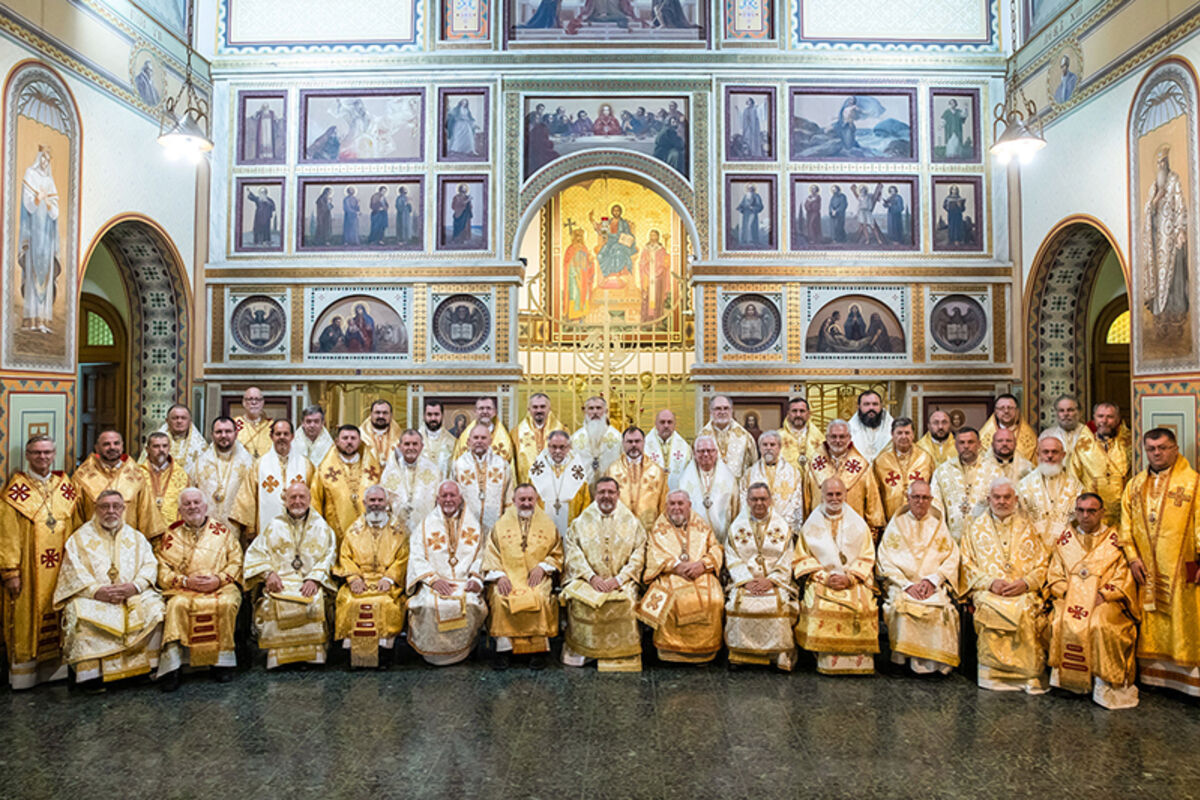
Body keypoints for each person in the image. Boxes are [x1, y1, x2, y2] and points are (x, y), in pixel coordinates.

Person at [53, 491, 165, 688]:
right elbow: (73, 571)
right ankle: (91, 676)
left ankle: (144, 670)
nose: (111, 511)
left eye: (116, 506)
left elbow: (150, 565)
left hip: (132, 596)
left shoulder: (136, 537)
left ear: (123, 509)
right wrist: (96, 591)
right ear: (96, 509)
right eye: (105, 506)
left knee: (156, 609)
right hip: (95, 597)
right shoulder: (79, 538)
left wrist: (135, 586)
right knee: (79, 614)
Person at [1119, 427, 1200, 696]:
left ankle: (1188, 684)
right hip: (1146, 568)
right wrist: (1132, 559)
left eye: (1163, 448)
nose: (1157, 453)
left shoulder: (1193, 483)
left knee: (1183, 619)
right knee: (1150, 620)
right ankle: (1154, 679)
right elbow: (1125, 527)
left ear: (1175, 449)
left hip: (1182, 566)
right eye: (1151, 449)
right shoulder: (1134, 485)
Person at [1046, 493, 1139, 709]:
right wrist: (1070, 594)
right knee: (1060, 620)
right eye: (1080, 510)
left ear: (1102, 512)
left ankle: (1104, 682)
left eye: (1091, 511)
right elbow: (1054, 577)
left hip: (1104, 601)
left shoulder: (1115, 541)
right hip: (1069, 598)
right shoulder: (1064, 541)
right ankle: (1067, 682)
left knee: (1100, 623)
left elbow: (1122, 578)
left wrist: (1104, 595)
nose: (1085, 516)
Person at [0, 435, 79, 688]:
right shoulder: (15, 490)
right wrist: (10, 571)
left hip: (62, 568)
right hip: (28, 570)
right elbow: (7, 534)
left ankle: (56, 670)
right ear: (27, 456)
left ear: (54, 455)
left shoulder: (64, 485)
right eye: (36, 453)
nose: (42, 457)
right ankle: (25, 677)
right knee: (25, 617)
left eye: (47, 452)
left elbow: (76, 527)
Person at [961, 478, 1049, 694]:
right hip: (988, 590)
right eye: (997, 497)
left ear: (1015, 499)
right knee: (989, 608)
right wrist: (989, 582)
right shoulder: (974, 527)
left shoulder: (1029, 526)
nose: (1002, 501)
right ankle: (992, 676)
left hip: (1021, 591)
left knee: (1026, 609)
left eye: (1007, 497)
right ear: (989, 499)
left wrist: (1026, 583)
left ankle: (1027, 676)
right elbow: (965, 564)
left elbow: (1043, 563)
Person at [155, 489, 243, 691]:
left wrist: (219, 579)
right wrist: (185, 581)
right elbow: (162, 570)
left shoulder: (222, 532)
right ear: (179, 510)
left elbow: (236, 561)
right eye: (187, 504)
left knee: (227, 604)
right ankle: (174, 667)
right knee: (176, 606)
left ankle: (221, 663)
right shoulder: (171, 536)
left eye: (196, 503)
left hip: (220, 586)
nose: (192, 507)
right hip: (184, 588)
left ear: (205, 507)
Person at [243, 483, 337, 669]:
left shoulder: (322, 527)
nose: (297, 501)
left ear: (309, 500)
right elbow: (256, 553)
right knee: (272, 602)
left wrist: (315, 578)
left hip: (309, 581)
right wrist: (269, 574)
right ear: (285, 501)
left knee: (314, 599)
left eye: (302, 497)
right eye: (293, 497)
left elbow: (330, 555)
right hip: (281, 582)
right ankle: (278, 658)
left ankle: (313, 657)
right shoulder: (273, 526)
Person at [793, 478, 879, 675]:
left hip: (852, 580)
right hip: (822, 580)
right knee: (819, 606)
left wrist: (850, 578)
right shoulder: (811, 525)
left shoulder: (859, 524)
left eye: (838, 494)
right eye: (829, 494)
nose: (834, 498)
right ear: (822, 496)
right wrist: (824, 577)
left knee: (863, 605)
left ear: (845, 495)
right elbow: (802, 557)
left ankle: (860, 660)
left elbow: (867, 555)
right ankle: (823, 658)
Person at [561, 477, 647, 672]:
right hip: (588, 580)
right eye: (602, 492)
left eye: (610, 492)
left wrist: (619, 579)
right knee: (582, 601)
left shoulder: (632, 523)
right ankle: (585, 654)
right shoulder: (580, 522)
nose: (606, 496)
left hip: (621, 580)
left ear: (618, 495)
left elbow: (639, 555)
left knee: (626, 601)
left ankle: (622, 653)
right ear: (595, 495)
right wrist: (591, 577)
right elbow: (573, 553)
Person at [875, 480, 961, 676]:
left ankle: (934, 665)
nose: (920, 501)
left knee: (941, 611)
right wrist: (906, 584)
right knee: (902, 608)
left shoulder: (938, 525)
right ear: (908, 498)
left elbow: (951, 556)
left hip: (931, 585)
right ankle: (900, 662)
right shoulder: (897, 524)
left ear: (931, 499)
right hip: (902, 584)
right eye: (916, 497)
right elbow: (885, 559)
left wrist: (933, 580)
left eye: (925, 498)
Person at [406, 481, 487, 665]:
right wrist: (433, 580)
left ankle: (463, 650)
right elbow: (416, 556)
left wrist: (476, 578)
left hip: (464, 581)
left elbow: (481, 555)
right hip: (434, 582)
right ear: (437, 499)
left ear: (460, 498)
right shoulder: (425, 526)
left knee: (470, 602)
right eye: (444, 496)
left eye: (452, 495)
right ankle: (433, 653)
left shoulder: (474, 525)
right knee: (428, 604)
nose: (448, 499)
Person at [483, 484, 563, 670]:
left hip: (536, 578)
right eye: (522, 499)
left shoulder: (547, 524)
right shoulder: (501, 525)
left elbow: (557, 552)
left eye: (530, 499)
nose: (526, 503)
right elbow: (491, 554)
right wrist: (500, 576)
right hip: (508, 577)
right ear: (514, 501)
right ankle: (504, 650)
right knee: (500, 597)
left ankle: (538, 651)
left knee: (540, 597)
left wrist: (543, 567)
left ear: (536, 500)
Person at [639, 492, 724, 664]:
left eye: (680, 503)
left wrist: (703, 564)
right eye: (672, 504)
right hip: (670, 574)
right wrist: (675, 566)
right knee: (670, 601)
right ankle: (669, 651)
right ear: (666, 506)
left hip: (700, 573)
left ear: (689, 505)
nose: (676, 508)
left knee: (715, 599)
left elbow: (715, 547)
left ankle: (706, 651)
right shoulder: (658, 528)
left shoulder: (700, 524)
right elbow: (653, 554)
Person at [724, 483, 798, 671]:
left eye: (763, 499)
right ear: (747, 501)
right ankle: (740, 655)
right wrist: (746, 580)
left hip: (774, 581)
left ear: (770, 500)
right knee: (739, 604)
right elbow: (731, 556)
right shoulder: (736, 527)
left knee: (778, 604)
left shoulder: (782, 527)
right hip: (745, 581)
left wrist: (771, 580)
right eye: (754, 499)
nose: (759, 503)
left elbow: (787, 557)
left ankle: (778, 655)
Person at [334, 486, 408, 669]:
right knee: (350, 602)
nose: (376, 504)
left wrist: (389, 579)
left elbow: (403, 558)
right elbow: (345, 557)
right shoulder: (354, 530)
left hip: (386, 581)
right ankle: (354, 654)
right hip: (361, 580)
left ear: (387, 503)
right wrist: (354, 578)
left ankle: (384, 653)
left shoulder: (398, 531)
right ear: (364, 503)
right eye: (372, 500)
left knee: (386, 603)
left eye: (380, 500)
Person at [230, 419, 316, 542]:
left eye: (286, 434)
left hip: (299, 528)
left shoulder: (306, 465)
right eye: (278, 434)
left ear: (292, 436)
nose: (282, 437)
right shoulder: (259, 466)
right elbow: (249, 496)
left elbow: (315, 497)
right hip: (267, 527)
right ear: (271, 436)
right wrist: (251, 528)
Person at [73, 429, 164, 539]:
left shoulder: (137, 476)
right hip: (93, 543)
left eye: (116, 443)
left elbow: (148, 518)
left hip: (128, 543)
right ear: (97, 448)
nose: (112, 447)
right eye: (106, 444)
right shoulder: (82, 477)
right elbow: (75, 519)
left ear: (122, 446)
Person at [803, 420, 884, 532]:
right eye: (833, 436)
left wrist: (873, 530)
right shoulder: (812, 466)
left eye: (842, 437)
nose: (838, 441)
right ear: (827, 438)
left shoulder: (863, 467)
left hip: (853, 532)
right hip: (819, 531)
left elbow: (873, 504)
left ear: (849, 438)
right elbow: (806, 503)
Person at [311, 425, 382, 546]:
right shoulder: (324, 470)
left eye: (353, 438)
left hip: (368, 537)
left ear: (359, 441)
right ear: (337, 441)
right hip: (335, 537)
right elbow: (315, 503)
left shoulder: (374, 470)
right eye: (345, 438)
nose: (349, 442)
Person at [1142, 144, 1188, 330]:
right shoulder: (1154, 187)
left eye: (1163, 162)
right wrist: (1155, 200)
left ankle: (1174, 312)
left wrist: (1180, 230)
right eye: (1159, 163)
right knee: (1158, 276)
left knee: (1174, 274)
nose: (1161, 166)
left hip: (1171, 238)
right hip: (1157, 239)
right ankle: (1160, 313)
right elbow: (1148, 210)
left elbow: (1181, 206)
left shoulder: (1174, 180)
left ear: (1168, 163)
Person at [1069, 401, 1132, 526]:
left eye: (1110, 417)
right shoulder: (1082, 445)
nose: (1104, 421)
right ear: (1094, 418)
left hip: (1122, 512)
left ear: (1118, 419)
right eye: (1100, 416)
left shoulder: (1129, 444)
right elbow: (1073, 478)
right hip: (1091, 512)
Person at [18, 146, 59, 333]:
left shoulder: (50, 181)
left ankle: (43, 320)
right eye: (43, 158)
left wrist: (48, 203)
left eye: (48, 159)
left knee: (46, 276)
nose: (44, 162)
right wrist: (37, 199)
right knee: (32, 273)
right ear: (38, 158)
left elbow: (55, 212)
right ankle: (31, 320)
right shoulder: (30, 174)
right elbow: (27, 204)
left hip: (47, 238)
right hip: (34, 234)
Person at [1017, 433, 1083, 546]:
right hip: (1033, 543)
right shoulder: (1024, 486)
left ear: (1063, 455)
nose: (1050, 456)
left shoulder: (1076, 486)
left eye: (1054, 452)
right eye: (1045, 452)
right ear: (1038, 454)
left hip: (1066, 545)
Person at [930, 427, 991, 542]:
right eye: (962, 443)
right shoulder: (942, 471)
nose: (966, 446)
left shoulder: (993, 470)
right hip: (951, 540)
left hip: (984, 540)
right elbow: (936, 507)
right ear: (956, 445)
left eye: (970, 442)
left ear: (979, 444)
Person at [194, 417, 254, 530]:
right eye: (219, 432)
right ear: (212, 435)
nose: (223, 435)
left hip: (236, 527)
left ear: (236, 434)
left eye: (228, 431)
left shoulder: (249, 463)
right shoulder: (199, 463)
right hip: (206, 528)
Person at [452, 425, 514, 535]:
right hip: (466, 529)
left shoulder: (502, 465)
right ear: (469, 441)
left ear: (490, 441)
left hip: (496, 527)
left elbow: (509, 498)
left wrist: (507, 525)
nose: (479, 441)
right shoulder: (458, 465)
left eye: (483, 438)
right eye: (476, 438)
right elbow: (452, 498)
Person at [527, 430, 590, 536]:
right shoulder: (537, 471)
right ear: (548, 446)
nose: (557, 451)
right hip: (542, 531)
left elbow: (585, 504)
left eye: (562, 447)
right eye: (554, 447)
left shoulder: (577, 471)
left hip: (570, 531)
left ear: (568, 448)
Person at [606, 426, 669, 532]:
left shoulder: (657, 472)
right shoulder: (612, 471)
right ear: (623, 443)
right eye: (629, 441)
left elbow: (663, 506)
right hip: (620, 532)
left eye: (637, 441)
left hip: (649, 532)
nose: (634, 445)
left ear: (643, 442)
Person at [873, 417, 935, 522]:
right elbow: (875, 494)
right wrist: (879, 521)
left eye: (907, 433)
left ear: (913, 435)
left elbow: (933, 489)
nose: (903, 437)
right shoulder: (881, 460)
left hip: (921, 519)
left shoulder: (925, 458)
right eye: (899, 433)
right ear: (892, 434)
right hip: (891, 520)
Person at [679, 435, 740, 543]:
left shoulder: (728, 479)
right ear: (694, 454)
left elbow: (735, 509)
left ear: (716, 453)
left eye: (710, 451)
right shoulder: (684, 480)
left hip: (722, 539)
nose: (706, 454)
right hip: (694, 540)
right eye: (701, 451)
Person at [380, 429, 442, 534]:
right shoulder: (389, 472)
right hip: (396, 532)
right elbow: (384, 504)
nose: (411, 448)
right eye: (407, 444)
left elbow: (438, 504)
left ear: (422, 446)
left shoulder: (433, 470)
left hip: (425, 531)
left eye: (415, 444)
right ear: (400, 446)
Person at [740, 431, 802, 531]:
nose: (768, 448)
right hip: (756, 526)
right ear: (760, 448)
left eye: (772, 445)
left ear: (779, 447)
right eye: (765, 445)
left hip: (785, 527)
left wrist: (783, 523)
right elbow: (744, 500)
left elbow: (796, 502)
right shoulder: (750, 474)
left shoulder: (794, 473)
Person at [570, 395, 623, 491]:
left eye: (599, 408)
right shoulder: (574, 439)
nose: (595, 412)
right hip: (582, 490)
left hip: (610, 490)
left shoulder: (618, 438)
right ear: (585, 412)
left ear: (606, 411)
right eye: (591, 408)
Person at [700, 395, 758, 481]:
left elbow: (753, 467)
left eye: (726, 408)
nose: (722, 412)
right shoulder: (701, 438)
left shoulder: (745, 437)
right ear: (711, 411)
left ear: (731, 410)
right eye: (718, 408)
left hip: (737, 487)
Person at [140, 431, 189, 527]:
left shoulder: (180, 474)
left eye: (165, 446)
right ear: (147, 450)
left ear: (169, 448)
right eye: (156, 446)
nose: (161, 450)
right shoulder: (138, 473)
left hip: (173, 530)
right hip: (145, 528)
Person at [513, 392, 563, 484]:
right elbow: (512, 466)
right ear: (529, 409)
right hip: (527, 488)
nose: (539, 410)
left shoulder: (562, 432)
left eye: (542, 407)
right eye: (535, 407)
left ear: (549, 408)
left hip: (554, 487)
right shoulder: (516, 433)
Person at [451, 396, 515, 467]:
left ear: (495, 412)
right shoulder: (465, 437)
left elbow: (510, 468)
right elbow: (456, 465)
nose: (485, 411)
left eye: (488, 408)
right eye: (481, 408)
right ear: (475, 411)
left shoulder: (504, 439)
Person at [151, 403, 207, 479]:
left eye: (183, 418)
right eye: (175, 418)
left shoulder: (201, 446)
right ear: (167, 421)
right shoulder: (154, 443)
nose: (179, 421)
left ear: (190, 421)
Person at [642, 409, 692, 492]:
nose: (666, 425)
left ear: (674, 424)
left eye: (669, 422)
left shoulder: (685, 448)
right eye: (662, 422)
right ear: (656, 424)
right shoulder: (644, 446)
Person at [979, 394, 1037, 461]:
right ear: (996, 411)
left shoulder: (1031, 438)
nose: (1006, 411)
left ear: (1017, 411)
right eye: (1002, 408)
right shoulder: (983, 438)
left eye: (1010, 408)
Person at [589, 205, 638, 279]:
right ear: (612, 212)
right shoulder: (607, 222)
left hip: (620, 243)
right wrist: (591, 219)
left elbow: (629, 235)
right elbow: (601, 231)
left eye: (618, 210)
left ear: (620, 212)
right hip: (609, 242)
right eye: (614, 210)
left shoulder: (624, 223)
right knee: (600, 255)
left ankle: (616, 275)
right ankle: (607, 274)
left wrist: (627, 238)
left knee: (617, 252)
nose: (616, 212)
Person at [848, 390, 893, 463]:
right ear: (858, 406)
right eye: (866, 404)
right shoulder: (849, 431)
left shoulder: (893, 429)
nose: (871, 408)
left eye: (875, 404)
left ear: (881, 406)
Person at [778, 397, 823, 471]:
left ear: (808, 414)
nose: (798, 415)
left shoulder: (819, 438)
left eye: (802, 411)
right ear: (788, 413)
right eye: (794, 411)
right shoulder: (778, 437)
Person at [419, 400, 457, 478]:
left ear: (442, 416)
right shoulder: (415, 441)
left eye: (436, 414)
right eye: (429, 414)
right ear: (424, 416)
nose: (433, 418)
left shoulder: (452, 442)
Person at [234, 387, 273, 458]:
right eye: (250, 399)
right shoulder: (233, 424)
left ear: (262, 403)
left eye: (257, 399)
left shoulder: (272, 425)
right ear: (244, 402)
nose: (254, 402)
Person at [359, 400, 402, 465]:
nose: (381, 416)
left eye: (385, 413)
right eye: (377, 412)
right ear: (371, 414)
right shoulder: (360, 436)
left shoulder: (399, 437)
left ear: (391, 415)